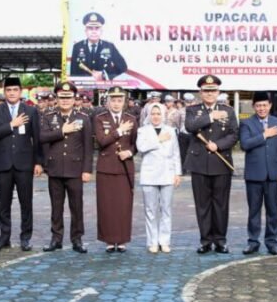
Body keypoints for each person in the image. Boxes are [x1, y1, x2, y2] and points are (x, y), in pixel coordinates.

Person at [0, 77, 43, 252]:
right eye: (8, 90)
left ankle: (25, 237)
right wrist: (11, 124)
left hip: (24, 163)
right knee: (4, 203)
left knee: (26, 202)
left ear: (21, 92)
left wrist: (38, 162)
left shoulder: (31, 111)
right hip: (3, 163)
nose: (12, 93)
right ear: (4, 93)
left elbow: (37, 138)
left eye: (15, 90)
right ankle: (4, 237)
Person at [185, 74, 239, 254]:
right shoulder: (193, 110)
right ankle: (205, 240)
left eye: (213, 91)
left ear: (218, 92)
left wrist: (218, 145)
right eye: (206, 91)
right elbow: (190, 127)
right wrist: (210, 116)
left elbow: (233, 134)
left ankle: (221, 240)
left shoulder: (229, 111)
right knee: (202, 204)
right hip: (199, 163)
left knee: (221, 204)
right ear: (200, 92)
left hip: (221, 162)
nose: (209, 94)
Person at [39, 81, 92, 254]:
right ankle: (56, 238)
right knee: (56, 206)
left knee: (76, 206)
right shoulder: (48, 116)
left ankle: (77, 239)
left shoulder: (83, 118)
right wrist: (63, 130)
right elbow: (42, 137)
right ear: (56, 98)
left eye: (68, 97)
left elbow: (88, 147)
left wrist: (87, 170)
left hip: (75, 169)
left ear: (75, 99)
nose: (65, 101)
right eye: (62, 97)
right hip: (55, 168)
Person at [239, 91, 277, 255]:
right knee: (254, 211)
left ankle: (271, 242)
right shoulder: (246, 123)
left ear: (270, 106)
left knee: (273, 211)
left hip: (274, 174)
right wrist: (264, 135)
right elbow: (245, 144)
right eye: (258, 105)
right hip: (254, 175)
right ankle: (253, 242)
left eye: (264, 105)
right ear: (254, 107)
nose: (261, 108)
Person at [93, 86, 137, 252]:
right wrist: (119, 131)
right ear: (108, 101)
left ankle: (123, 239)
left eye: (120, 100)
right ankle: (109, 240)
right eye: (113, 100)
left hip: (125, 167)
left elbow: (135, 143)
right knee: (106, 205)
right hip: (106, 167)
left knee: (124, 205)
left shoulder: (131, 119)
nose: (117, 104)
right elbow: (101, 141)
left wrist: (130, 152)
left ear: (124, 101)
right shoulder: (99, 118)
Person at [136, 102, 181, 253]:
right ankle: (152, 241)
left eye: (158, 113)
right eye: (153, 113)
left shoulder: (171, 130)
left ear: (163, 115)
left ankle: (165, 240)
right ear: (149, 115)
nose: (156, 116)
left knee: (166, 209)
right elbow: (141, 148)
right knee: (150, 209)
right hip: (149, 174)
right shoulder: (143, 131)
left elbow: (175, 153)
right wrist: (158, 140)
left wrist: (177, 173)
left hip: (167, 173)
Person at [70, 12, 128, 80]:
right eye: (90, 28)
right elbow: (73, 71)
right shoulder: (77, 47)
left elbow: (123, 66)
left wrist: (104, 74)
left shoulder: (109, 46)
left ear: (101, 31)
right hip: (84, 87)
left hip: (104, 86)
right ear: (85, 31)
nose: (94, 31)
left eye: (97, 28)